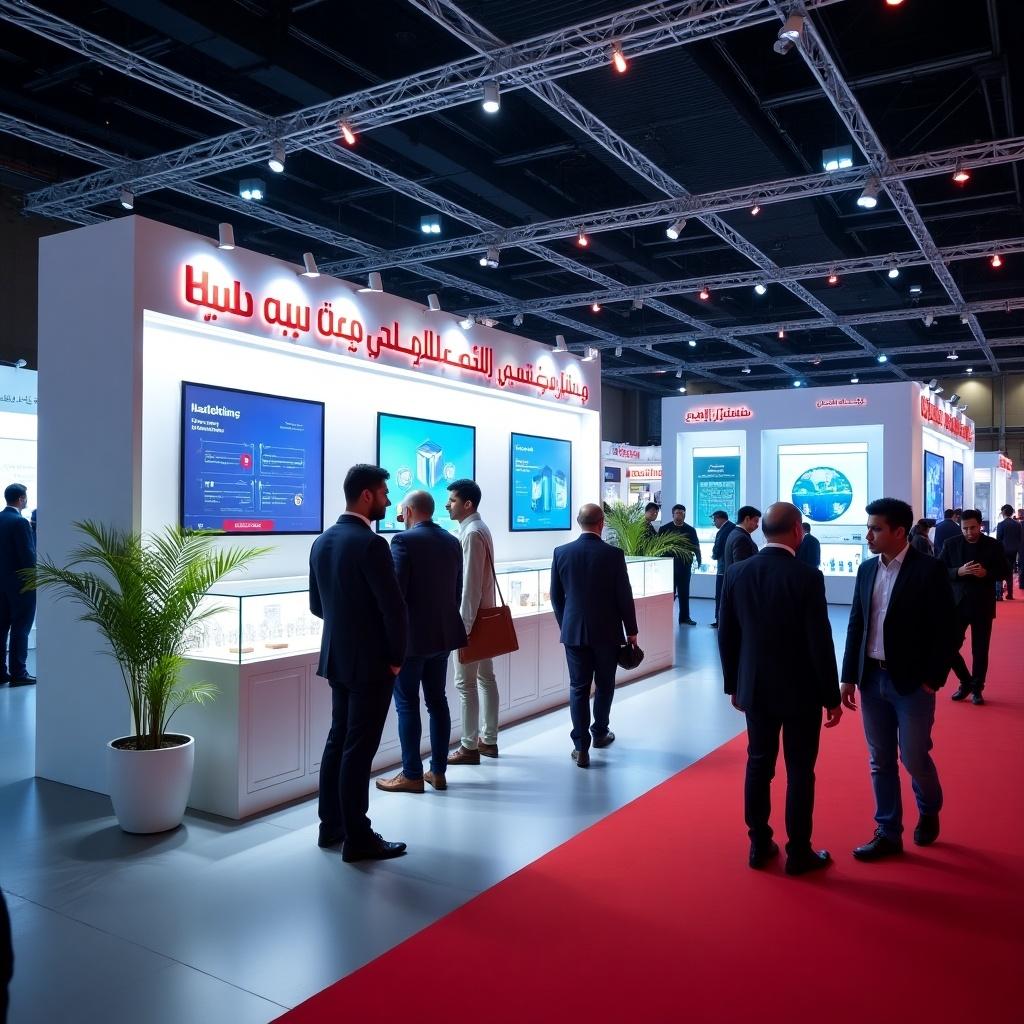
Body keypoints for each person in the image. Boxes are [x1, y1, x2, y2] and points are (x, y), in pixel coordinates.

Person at [718, 502, 841, 876]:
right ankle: (799, 852)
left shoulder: (738, 573)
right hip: (801, 692)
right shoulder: (807, 577)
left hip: (755, 687)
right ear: (798, 532)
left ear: (764, 531)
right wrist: (831, 697)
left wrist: (734, 685)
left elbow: (727, 634)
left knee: (758, 765)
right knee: (800, 771)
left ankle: (758, 844)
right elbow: (820, 641)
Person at [841, 498, 957, 861]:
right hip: (871, 679)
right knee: (880, 759)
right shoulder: (865, 570)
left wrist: (933, 679)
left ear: (898, 531)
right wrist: (847, 676)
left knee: (914, 756)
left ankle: (929, 807)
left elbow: (948, 632)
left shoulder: (929, 570)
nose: (868, 535)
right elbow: (856, 624)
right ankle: (888, 831)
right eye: (869, 527)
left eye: (876, 528)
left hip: (912, 684)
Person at [310, 464, 408, 863]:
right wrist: (397, 660)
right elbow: (393, 610)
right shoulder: (371, 544)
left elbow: (318, 606)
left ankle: (330, 826)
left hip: (337, 657)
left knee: (338, 741)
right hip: (371, 663)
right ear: (366, 495)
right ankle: (358, 837)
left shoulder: (322, 541)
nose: (388, 500)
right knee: (358, 748)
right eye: (384, 493)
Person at [376, 491, 467, 795]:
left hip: (411, 640)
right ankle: (438, 771)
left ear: (411, 511)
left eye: (402, 511)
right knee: (437, 701)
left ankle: (412, 773)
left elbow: (396, 595)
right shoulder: (452, 541)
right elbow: (457, 591)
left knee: (406, 704)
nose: (400, 516)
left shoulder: (403, 542)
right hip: (442, 637)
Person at [550, 503, 638, 768]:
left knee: (578, 687)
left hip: (574, 631)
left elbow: (556, 596)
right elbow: (624, 595)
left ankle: (580, 747)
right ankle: (599, 732)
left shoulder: (561, 552)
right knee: (605, 684)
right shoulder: (613, 554)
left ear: (579, 522)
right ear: (601, 523)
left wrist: (566, 623)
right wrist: (631, 631)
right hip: (608, 632)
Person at [445, 479, 500, 765]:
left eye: (452, 500)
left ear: (468, 504)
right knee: (485, 679)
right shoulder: (478, 529)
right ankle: (488, 739)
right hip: (483, 618)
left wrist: (462, 630)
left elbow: (471, 587)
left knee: (465, 684)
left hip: (473, 622)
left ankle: (469, 746)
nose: (447, 504)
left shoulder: (472, 533)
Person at [939, 508, 1009, 705]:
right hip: (956, 605)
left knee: (980, 650)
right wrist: (957, 572)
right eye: (965, 528)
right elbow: (939, 570)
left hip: (982, 605)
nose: (969, 532)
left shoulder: (993, 545)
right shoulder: (950, 544)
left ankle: (977, 688)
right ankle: (966, 681)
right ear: (960, 527)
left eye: (973, 528)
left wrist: (986, 573)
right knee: (947, 646)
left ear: (981, 526)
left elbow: (1004, 570)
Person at [1, 483, 36, 686]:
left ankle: (1, 672)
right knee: (20, 629)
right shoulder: (20, 523)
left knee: (1, 629)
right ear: (21, 499)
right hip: (21, 586)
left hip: (1, 585)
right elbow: (28, 557)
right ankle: (18, 674)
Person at [659, 504, 701, 625]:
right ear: (673, 514)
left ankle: (684, 617)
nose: (679, 515)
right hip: (668, 566)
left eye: (682, 513)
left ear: (685, 515)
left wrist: (699, 559)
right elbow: (658, 546)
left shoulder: (690, 530)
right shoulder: (664, 529)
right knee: (668, 593)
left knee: (684, 593)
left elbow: (696, 545)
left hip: (684, 565)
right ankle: (665, 617)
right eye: (677, 513)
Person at [709, 510, 735, 629]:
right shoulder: (733, 528)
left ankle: (719, 620)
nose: (714, 522)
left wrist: (714, 555)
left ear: (719, 518)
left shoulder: (723, 531)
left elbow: (718, 548)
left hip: (723, 568)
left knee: (720, 594)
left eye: (714, 519)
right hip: (730, 568)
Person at [722, 506, 760, 572]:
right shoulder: (741, 538)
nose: (757, 525)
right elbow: (741, 569)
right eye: (756, 521)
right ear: (747, 519)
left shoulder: (735, 533)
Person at [995, 504, 1021, 600]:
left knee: (999, 571)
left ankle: (999, 595)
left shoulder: (1001, 524)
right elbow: (1019, 538)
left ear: (1003, 512)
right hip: (1014, 551)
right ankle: (1010, 594)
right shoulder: (1017, 524)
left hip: (1003, 551)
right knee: (1009, 571)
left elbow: (998, 539)